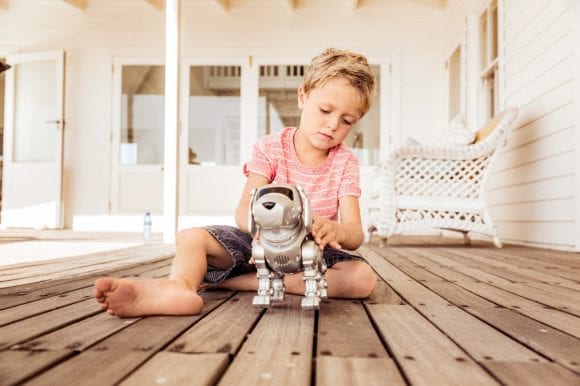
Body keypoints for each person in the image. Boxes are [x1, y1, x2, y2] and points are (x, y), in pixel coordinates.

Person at [94, 48, 378, 317]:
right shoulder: (270, 148)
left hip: (313, 252)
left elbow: (355, 234)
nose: (332, 125)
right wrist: (263, 229)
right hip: (260, 242)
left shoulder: (345, 162)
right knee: (191, 237)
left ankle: (237, 282)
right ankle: (178, 287)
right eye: (325, 110)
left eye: (347, 120)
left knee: (362, 280)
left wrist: (335, 229)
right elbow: (243, 210)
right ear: (303, 97)